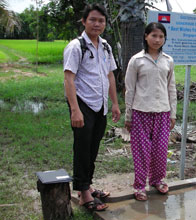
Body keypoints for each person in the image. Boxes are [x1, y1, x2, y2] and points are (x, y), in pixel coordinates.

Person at [63, 4, 120, 211]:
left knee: (93, 148)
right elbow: (69, 78)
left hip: (100, 105)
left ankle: (87, 185)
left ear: (105, 24)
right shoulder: (76, 46)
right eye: (93, 20)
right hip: (83, 104)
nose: (97, 24)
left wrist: (114, 103)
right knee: (82, 148)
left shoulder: (105, 46)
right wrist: (75, 109)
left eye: (101, 21)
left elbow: (110, 75)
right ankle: (84, 193)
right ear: (84, 21)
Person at [124, 22, 177, 201]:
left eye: (161, 36)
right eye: (153, 35)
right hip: (141, 112)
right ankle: (139, 186)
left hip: (163, 112)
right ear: (146, 36)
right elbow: (129, 89)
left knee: (161, 150)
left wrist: (173, 114)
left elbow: (171, 88)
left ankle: (157, 180)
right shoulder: (137, 60)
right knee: (141, 151)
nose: (157, 40)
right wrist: (128, 115)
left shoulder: (168, 60)